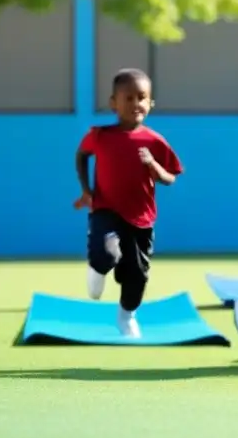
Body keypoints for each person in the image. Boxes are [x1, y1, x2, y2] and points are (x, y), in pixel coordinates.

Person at [74, 67, 183, 338]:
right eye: (128, 98)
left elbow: (170, 178)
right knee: (107, 250)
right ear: (114, 102)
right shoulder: (100, 136)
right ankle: (98, 267)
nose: (136, 104)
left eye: (142, 98)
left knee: (136, 275)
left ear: (151, 103)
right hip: (105, 208)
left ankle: (126, 317)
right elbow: (81, 155)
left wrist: (154, 167)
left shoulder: (155, 141)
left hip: (141, 217)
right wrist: (87, 190)